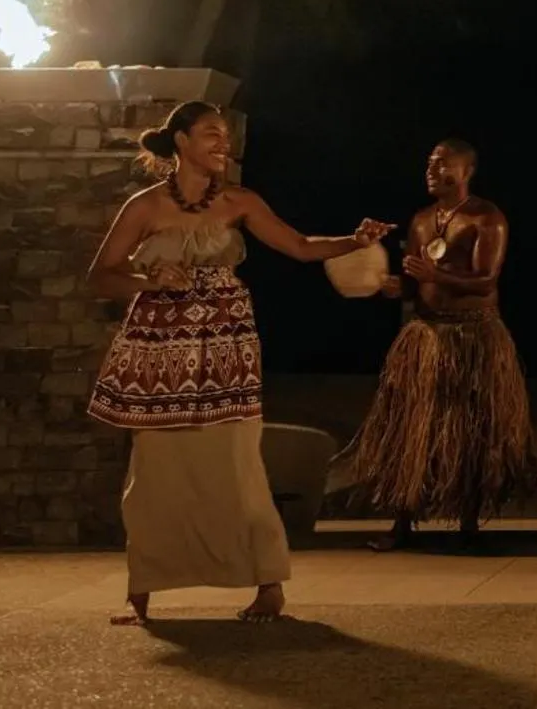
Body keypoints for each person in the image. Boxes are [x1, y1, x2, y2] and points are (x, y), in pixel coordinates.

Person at [85, 101, 393, 625]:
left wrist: (353, 241)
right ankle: (144, 592)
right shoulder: (145, 206)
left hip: (227, 347)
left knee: (237, 460)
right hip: (161, 354)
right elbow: (102, 275)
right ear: (181, 141)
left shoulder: (239, 202)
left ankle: (268, 585)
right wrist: (148, 281)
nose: (222, 144)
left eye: (225, 136)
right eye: (210, 134)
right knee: (159, 467)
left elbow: (298, 246)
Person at [342, 138, 537, 550]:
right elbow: (417, 281)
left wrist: (436, 277)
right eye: (429, 164)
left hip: (474, 335)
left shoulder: (487, 218)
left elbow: (486, 280)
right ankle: (401, 522)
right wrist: (401, 287)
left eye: (443, 164)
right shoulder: (420, 220)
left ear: (466, 172)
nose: (432, 171)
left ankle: (468, 522)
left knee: (471, 429)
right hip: (427, 335)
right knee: (411, 429)